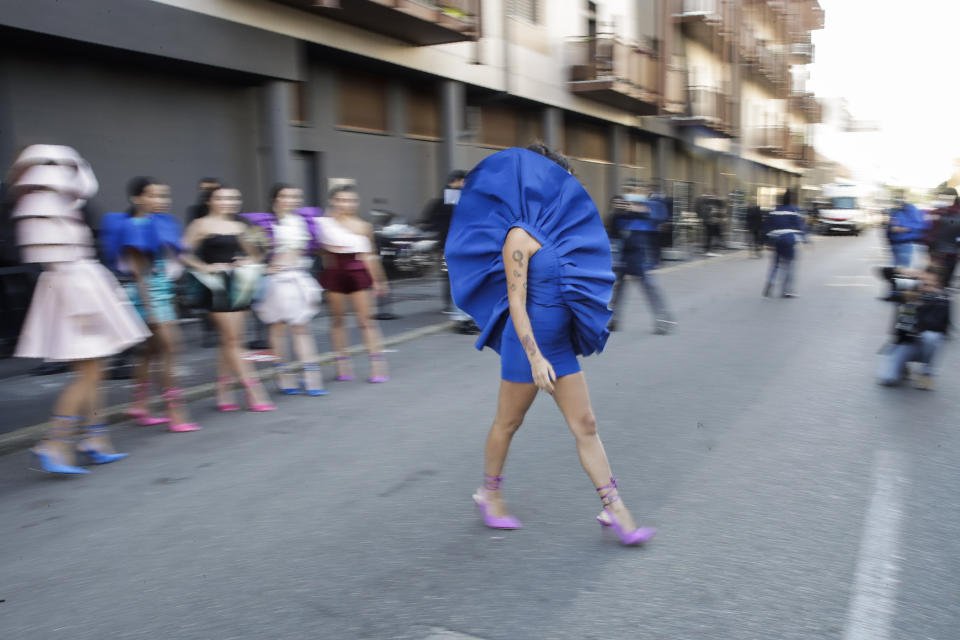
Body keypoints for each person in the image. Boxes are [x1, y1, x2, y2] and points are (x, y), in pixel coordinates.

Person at [445, 144, 656, 546]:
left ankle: (617, 511)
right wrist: (535, 356)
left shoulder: (562, 233)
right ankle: (489, 493)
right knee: (509, 422)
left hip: (558, 346)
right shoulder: (518, 238)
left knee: (586, 424)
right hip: (527, 349)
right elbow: (516, 305)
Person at [8, 145, 150, 474]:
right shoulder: (46, 205)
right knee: (88, 373)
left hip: (75, 286)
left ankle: (95, 439)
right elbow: (59, 260)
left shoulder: (44, 203)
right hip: (77, 289)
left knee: (93, 372)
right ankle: (55, 444)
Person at [100, 177, 200, 432]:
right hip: (150, 296)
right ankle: (175, 413)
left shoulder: (160, 224)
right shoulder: (136, 226)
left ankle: (141, 405)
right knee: (171, 352)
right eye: (153, 196)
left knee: (149, 352)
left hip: (160, 293)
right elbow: (138, 274)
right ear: (137, 198)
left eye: (164, 196)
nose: (161, 201)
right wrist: (152, 310)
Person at [181, 185, 275, 411]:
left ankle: (223, 394)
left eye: (234, 198)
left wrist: (246, 260)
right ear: (210, 201)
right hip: (216, 285)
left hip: (240, 283)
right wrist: (205, 267)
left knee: (230, 340)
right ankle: (254, 391)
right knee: (234, 340)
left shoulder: (241, 225)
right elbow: (182, 253)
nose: (229, 202)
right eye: (222, 198)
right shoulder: (200, 224)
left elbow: (259, 253)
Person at [242, 184, 327, 396]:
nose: (291, 200)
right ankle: (284, 376)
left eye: (295, 196)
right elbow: (253, 254)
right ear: (275, 199)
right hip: (276, 280)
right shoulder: (263, 224)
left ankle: (312, 378)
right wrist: (264, 268)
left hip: (300, 277)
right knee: (278, 328)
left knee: (301, 327)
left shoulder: (305, 221)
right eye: (285, 196)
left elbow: (316, 247)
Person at [315, 184, 389, 383]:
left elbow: (370, 255)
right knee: (337, 321)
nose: (344, 204)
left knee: (366, 322)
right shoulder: (324, 223)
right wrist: (325, 244)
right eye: (340, 200)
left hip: (358, 272)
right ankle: (342, 364)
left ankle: (377, 365)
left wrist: (379, 280)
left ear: (356, 203)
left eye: (349, 200)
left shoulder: (363, 226)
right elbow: (318, 251)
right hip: (334, 273)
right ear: (332, 201)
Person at [607, 181, 676, 334]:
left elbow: (658, 222)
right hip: (624, 256)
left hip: (642, 256)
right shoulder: (617, 216)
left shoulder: (649, 211)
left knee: (650, 290)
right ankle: (614, 320)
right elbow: (613, 236)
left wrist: (654, 261)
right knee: (618, 289)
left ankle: (663, 320)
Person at [876, 265, 950, 389]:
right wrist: (903, 271)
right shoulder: (910, 287)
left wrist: (919, 304)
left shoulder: (942, 299)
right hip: (905, 344)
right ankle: (903, 366)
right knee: (887, 379)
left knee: (932, 337)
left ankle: (926, 372)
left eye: (929, 284)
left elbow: (940, 327)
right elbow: (884, 272)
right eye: (923, 281)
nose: (925, 286)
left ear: (937, 285)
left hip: (924, 345)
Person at [762, 189, 809, 298]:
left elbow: (768, 226)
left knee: (776, 264)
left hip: (777, 240)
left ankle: (771, 280)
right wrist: (805, 240)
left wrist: (767, 242)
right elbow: (799, 226)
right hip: (788, 240)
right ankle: (786, 291)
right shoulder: (794, 210)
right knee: (789, 265)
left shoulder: (775, 211)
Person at [924, 187, 960, 288]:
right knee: (940, 283)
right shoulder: (936, 212)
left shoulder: (937, 213)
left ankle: (939, 300)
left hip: (942, 255)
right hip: (944, 254)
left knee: (936, 283)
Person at [886, 192, 927, 268]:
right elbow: (891, 227)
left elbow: (918, 226)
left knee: (903, 269)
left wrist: (903, 229)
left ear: (904, 199)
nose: (898, 200)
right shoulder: (894, 211)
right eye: (896, 198)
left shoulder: (911, 209)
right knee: (895, 270)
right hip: (894, 245)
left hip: (905, 244)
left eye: (900, 198)